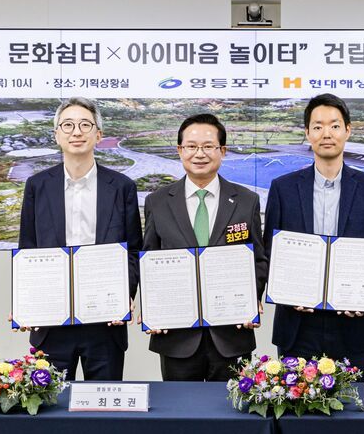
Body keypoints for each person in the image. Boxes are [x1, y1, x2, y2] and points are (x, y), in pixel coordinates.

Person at [263, 93, 364, 377]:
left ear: (348, 130)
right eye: (318, 126)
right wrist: (286, 290)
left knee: (351, 403)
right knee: (295, 402)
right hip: (297, 322)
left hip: (353, 321)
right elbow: (271, 250)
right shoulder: (283, 188)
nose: (326, 133)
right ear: (307, 133)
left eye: (334, 126)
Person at [16, 96, 142, 381]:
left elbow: (133, 251)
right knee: (50, 403)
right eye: (68, 125)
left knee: (105, 402)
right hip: (52, 322)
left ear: (98, 135)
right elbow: (28, 251)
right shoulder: (37, 186)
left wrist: (124, 296)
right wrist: (26, 302)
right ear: (57, 134)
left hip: (105, 322)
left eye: (85, 125)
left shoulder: (122, 187)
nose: (76, 132)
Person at [141, 113, 267, 381]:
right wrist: (154, 307)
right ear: (180, 150)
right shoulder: (157, 202)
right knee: (180, 407)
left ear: (223, 150)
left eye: (208, 146)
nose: (200, 154)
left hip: (232, 333)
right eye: (191, 146)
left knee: (232, 405)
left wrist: (249, 300)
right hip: (177, 336)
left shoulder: (246, 201)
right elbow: (149, 259)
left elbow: (258, 259)